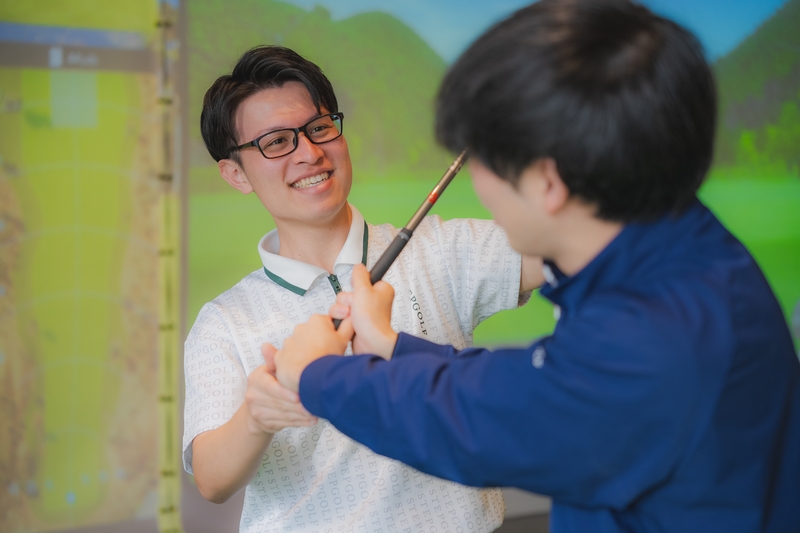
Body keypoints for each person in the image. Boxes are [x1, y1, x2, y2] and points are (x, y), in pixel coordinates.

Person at [269, 1, 800, 532]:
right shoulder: (679, 247)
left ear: (548, 181)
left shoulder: (657, 336)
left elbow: (482, 419)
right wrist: (392, 347)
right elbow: (525, 386)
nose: (478, 184)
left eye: (480, 161)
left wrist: (318, 374)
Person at [182, 45, 544, 533]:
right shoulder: (225, 321)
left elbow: (570, 248)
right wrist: (257, 415)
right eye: (276, 142)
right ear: (235, 174)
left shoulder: (440, 248)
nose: (309, 153)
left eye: (319, 127)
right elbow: (212, 479)